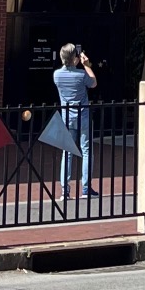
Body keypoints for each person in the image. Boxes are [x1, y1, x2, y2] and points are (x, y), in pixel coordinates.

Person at [52, 42, 96, 204]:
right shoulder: (80, 74)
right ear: (75, 58)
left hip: (66, 118)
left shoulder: (57, 75)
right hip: (83, 116)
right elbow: (93, 83)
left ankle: (65, 191)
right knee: (86, 151)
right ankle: (86, 188)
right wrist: (86, 65)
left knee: (67, 153)